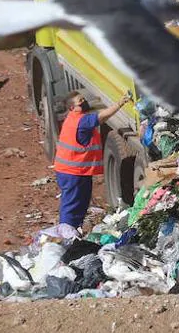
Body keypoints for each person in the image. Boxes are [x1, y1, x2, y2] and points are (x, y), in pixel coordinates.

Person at [54, 89, 130, 232]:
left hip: (73, 171)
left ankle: (73, 231)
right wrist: (121, 103)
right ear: (72, 108)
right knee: (72, 206)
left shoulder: (73, 118)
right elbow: (102, 117)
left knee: (79, 203)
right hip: (73, 172)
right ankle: (67, 234)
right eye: (80, 101)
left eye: (83, 99)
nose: (84, 102)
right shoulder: (81, 120)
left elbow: (101, 119)